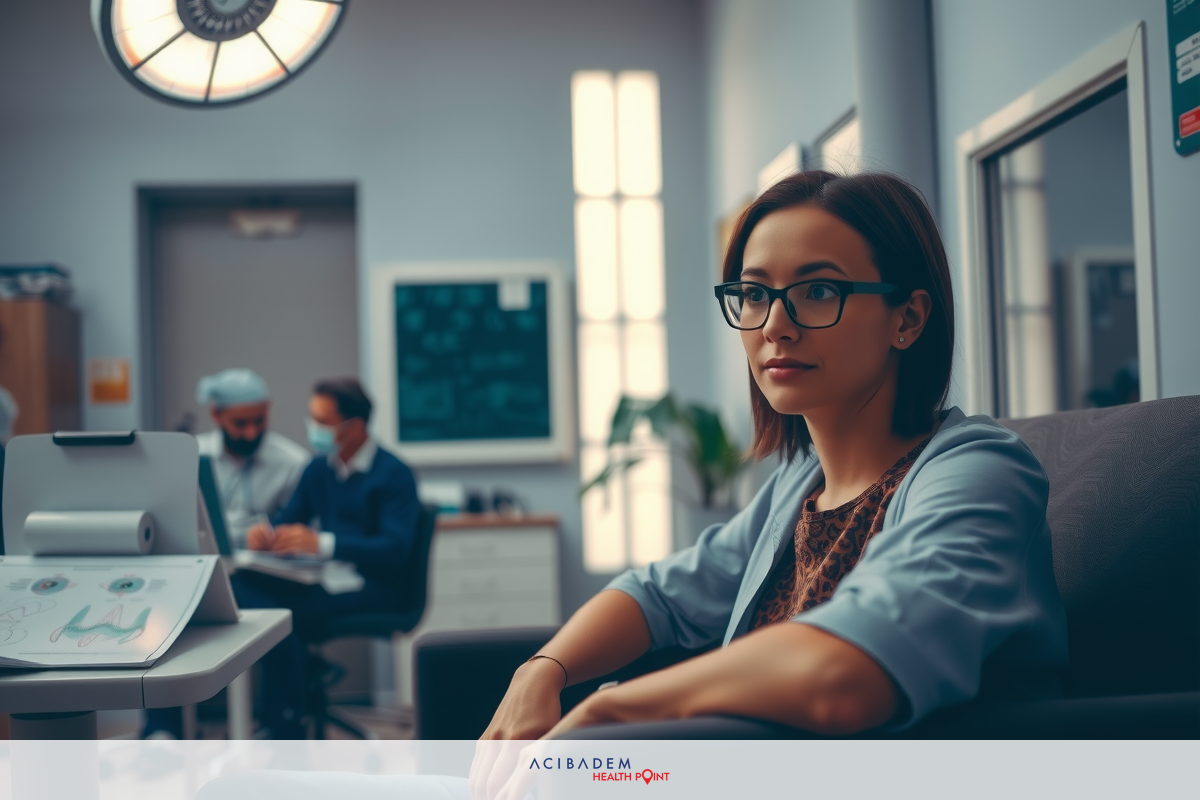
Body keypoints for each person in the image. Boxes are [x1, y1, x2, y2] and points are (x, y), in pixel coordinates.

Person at [476, 170, 1068, 752]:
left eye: (818, 291)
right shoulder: (800, 487)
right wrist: (543, 669)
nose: (775, 326)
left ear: (906, 319)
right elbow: (659, 595)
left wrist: (615, 706)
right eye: (755, 294)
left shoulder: (980, 473)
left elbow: (849, 671)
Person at [235, 377, 421, 738]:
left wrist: (321, 544)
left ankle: (285, 720)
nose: (313, 430)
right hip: (327, 579)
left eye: (323, 422)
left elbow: (395, 550)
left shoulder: (394, 473)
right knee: (243, 583)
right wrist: (265, 535)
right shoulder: (320, 467)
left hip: (378, 586)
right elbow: (289, 518)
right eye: (312, 418)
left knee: (279, 618)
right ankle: (296, 686)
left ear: (354, 427)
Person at [194, 368, 309, 548]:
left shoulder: (294, 463)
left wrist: (273, 536)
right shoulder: (192, 456)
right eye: (240, 423)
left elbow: (300, 527)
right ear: (216, 415)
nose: (251, 433)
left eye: (259, 420)